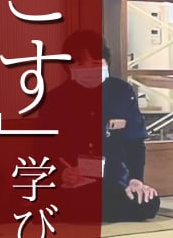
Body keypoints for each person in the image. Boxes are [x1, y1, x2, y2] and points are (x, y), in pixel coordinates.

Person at [40, 31, 160, 223]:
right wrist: (61, 173)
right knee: (68, 203)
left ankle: (99, 210)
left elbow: (135, 143)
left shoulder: (122, 92)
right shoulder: (56, 99)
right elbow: (43, 149)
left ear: (107, 63)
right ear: (67, 67)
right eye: (80, 65)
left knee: (149, 202)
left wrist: (136, 180)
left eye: (96, 64)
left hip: (115, 182)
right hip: (74, 185)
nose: (89, 70)